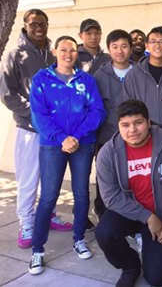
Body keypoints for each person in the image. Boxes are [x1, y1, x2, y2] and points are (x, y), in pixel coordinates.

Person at [28, 35, 106, 275]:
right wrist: (63, 138)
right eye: (63, 50)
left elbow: (97, 111)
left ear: (77, 53)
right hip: (53, 145)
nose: (68, 54)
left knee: (82, 194)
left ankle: (79, 239)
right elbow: (39, 116)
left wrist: (76, 137)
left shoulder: (87, 80)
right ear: (54, 51)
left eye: (72, 50)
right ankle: (38, 251)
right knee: (49, 197)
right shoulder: (41, 80)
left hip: (82, 144)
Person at [95, 99, 162, 287]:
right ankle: (130, 266)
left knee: (156, 278)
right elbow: (111, 197)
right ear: (119, 126)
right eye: (125, 125)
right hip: (130, 213)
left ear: (148, 122)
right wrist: (146, 217)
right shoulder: (108, 153)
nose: (132, 130)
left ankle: (152, 243)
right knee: (104, 232)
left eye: (138, 123)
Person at [0, 9, 73, 249]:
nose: (39, 27)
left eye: (43, 23)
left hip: (54, 132)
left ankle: (49, 215)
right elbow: (7, 95)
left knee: (50, 179)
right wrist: (35, 112)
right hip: (30, 131)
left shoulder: (54, 55)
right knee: (28, 179)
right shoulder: (15, 55)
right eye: (34, 24)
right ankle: (27, 222)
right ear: (25, 25)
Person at [93, 29, 135, 220]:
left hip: (135, 136)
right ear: (108, 49)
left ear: (131, 48)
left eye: (124, 46)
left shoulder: (139, 73)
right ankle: (104, 217)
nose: (120, 51)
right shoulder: (99, 76)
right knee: (106, 178)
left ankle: (131, 219)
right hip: (107, 136)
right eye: (115, 47)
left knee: (131, 178)